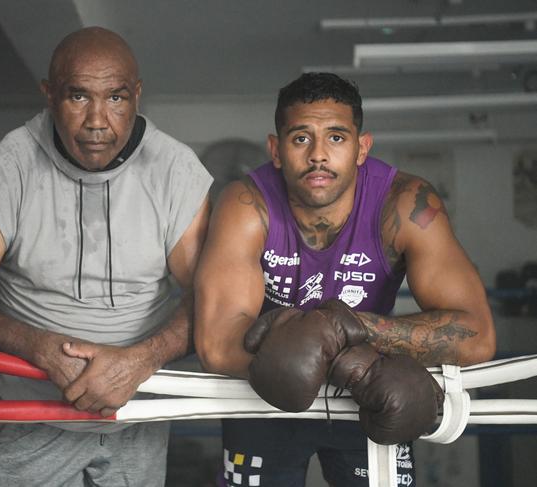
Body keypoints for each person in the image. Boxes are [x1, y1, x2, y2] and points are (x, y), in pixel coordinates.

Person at [0, 27, 212, 487]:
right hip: (30, 418)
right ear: (49, 95)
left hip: (135, 418)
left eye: (116, 98)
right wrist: (41, 350)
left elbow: (213, 298)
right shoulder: (9, 166)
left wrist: (140, 360)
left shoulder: (175, 170)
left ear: (136, 95)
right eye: (78, 97)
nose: (98, 121)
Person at [194, 72, 495, 487]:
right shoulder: (247, 205)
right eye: (301, 138)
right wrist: (351, 364)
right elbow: (215, 344)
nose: (318, 155)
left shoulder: (405, 205)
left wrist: (354, 327)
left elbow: (477, 334)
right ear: (276, 150)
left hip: (374, 398)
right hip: (264, 391)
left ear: (361, 148)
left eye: (336, 137)